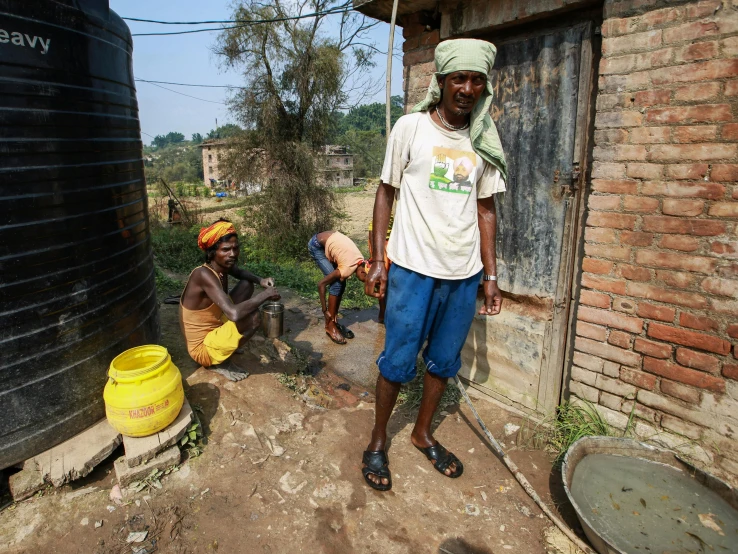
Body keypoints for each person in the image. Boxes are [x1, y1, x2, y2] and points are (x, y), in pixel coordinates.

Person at [361, 39, 508, 492]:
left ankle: (423, 433)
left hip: (462, 274)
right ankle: (379, 439)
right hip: (412, 269)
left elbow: (486, 210)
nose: (467, 88)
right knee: (398, 362)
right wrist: (379, 259)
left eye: (476, 79)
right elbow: (386, 191)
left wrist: (491, 275)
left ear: (484, 86)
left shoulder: (483, 139)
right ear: (441, 82)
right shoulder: (410, 128)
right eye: (458, 79)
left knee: (443, 363)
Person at [179, 219, 279, 381]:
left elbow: (240, 273)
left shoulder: (221, 266)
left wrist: (260, 280)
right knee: (253, 317)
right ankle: (220, 361)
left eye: (235, 248)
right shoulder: (203, 274)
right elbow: (233, 313)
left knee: (247, 284)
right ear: (212, 252)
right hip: (202, 348)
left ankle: (227, 344)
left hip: (215, 323)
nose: (232, 254)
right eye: (226, 250)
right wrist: (265, 295)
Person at [308, 231, 367, 345]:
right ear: (363, 271)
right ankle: (330, 325)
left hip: (330, 239)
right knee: (336, 284)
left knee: (341, 282)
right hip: (316, 245)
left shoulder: (360, 260)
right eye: (365, 279)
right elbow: (321, 284)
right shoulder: (348, 267)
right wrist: (324, 310)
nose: (364, 281)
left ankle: (333, 321)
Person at [367, 213, 393, 324]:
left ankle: (389, 310)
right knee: (381, 277)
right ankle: (383, 310)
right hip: (381, 241)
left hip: (395, 240)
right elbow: (373, 227)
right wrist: (375, 255)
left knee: (394, 277)